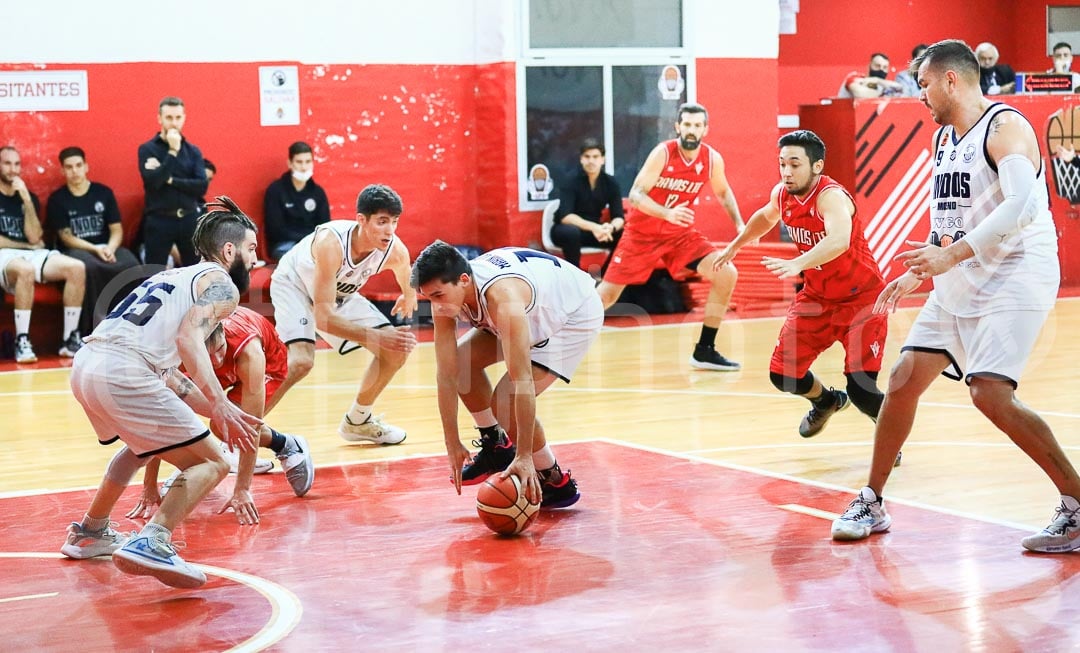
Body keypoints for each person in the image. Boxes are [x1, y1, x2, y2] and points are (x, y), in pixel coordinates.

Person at [829, 40, 1079, 553]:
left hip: (1017, 269)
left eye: (922, 84)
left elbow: (1022, 208)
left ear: (950, 80)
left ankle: (1076, 503)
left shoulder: (1005, 127)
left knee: (989, 392)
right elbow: (951, 219)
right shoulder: (945, 139)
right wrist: (925, 269)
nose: (918, 94)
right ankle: (872, 501)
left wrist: (953, 255)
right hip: (964, 267)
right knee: (901, 379)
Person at [64, 197, 263, 588]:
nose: (255, 259)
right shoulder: (222, 284)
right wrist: (221, 402)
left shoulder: (170, 278)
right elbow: (191, 337)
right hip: (124, 371)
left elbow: (175, 379)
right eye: (251, 249)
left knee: (140, 447)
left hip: (88, 363)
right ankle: (154, 540)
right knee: (215, 462)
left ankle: (90, 532)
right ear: (229, 251)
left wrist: (221, 410)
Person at [715, 130, 902, 467]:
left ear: (816, 166)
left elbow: (839, 240)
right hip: (818, 298)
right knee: (783, 375)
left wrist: (798, 262)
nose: (786, 172)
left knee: (862, 390)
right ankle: (826, 401)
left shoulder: (830, 197)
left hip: (861, 300)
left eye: (795, 164)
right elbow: (765, 216)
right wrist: (736, 244)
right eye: (782, 164)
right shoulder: (783, 194)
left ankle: (889, 438)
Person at [411, 241, 593, 507]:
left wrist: (524, 456)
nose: (435, 305)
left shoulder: (502, 301)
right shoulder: (448, 295)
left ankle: (554, 479)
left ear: (463, 280)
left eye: (438, 295)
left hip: (572, 314)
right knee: (460, 362)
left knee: (504, 399)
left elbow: (522, 382)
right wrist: (451, 440)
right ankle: (496, 447)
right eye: (428, 298)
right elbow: (446, 373)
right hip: (536, 298)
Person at [124, 306, 314, 523]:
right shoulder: (177, 354)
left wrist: (242, 488)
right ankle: (204, 459)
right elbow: (159, 421)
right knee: (178, 415)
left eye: (220, 349)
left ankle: (286, 444)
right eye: (209, 355)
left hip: (269, 365)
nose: (217, 360)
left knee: (225, 425)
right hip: (200, 363)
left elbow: (249, 426)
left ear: (224, 333)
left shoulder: (250, 352)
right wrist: (149, 486)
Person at [596, 102, 745, 371]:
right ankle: (558, 336)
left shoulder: (712, 159)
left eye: (697, 125)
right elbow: (637, 195)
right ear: (678, 127)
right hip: (642, 234)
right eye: (687, 124)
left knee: (727, 273)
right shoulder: (663, 153)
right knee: (605, 297)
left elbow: (723, 192)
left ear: (705, 129)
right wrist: (666, 213)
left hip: (679, 236)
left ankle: (705, 350)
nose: (691, 130)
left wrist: (739, 224)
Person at [270, 183, 417, 444]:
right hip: (294, 286)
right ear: (361, 220)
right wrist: (377, 336)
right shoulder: (332, 243)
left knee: (396, 350)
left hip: (337, 294)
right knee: (301, 362)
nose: (390, 230)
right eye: (382, 222)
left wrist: (409, 295)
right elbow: (324, 318)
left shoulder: (395, 250)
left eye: (394, 222)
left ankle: (358, 421)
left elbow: (407, 275)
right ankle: (235, 435)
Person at [0, 146, 86, 363]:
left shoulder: (27, 197)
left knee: (76, 268)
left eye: (17, 164)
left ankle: (69, 340)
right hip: (5, 255)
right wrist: (28, 247)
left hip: (29, 252)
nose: (13, 169)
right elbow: (24, 244)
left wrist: (26, 200)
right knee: (25, 270)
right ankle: (22, 340)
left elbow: (34, 235)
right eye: (7, 164)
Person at [47, 147, 141, 334]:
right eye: (69, 167)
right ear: (62, 170)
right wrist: (95, 249)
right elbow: (66, 237)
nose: (74, 171)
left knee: (132, 264)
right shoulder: (57, 199)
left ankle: (131, 326)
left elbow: (116, 229)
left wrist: (110, 248)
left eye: (78, 165)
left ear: (86, 166)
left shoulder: (103, 193)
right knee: (89, 267)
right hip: (77, 249)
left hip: (107, 246)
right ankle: (93, 329)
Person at [137, 96, 208, 268]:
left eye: (178, 117)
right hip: (159, 220)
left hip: (189, 219)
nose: (174, 123)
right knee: (154, 275)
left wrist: (169, 179)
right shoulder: (147, 149)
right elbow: (154, 182)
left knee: (195, 273)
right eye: (169, 117)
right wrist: (173, 151)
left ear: (184, 118)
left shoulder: (193, 151)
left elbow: (201, 186)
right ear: (159, 118)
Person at [551, 137, 624, 273]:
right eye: (587, 156)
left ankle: (605, 277)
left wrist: (610, 228)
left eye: (595, 157)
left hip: (594, 232)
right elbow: (566, 216)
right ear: (581, 159)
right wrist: (596, 227)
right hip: (566, 230)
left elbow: (619, 216)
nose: (591, 161)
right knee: (571, 232)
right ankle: (576, 278)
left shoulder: (610, 183)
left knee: (624, 235)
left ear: (603, 159)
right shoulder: (570, 180)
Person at [265, 141, 331, 261]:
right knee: (302, 260)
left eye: (308, 162)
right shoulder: (275, 190)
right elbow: (275, 230)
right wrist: (305, 239)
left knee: (334, 257)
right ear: (290, 163)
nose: (304, 167)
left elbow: (325, 227)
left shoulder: (318, 192)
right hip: (284, 245)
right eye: (299, 162)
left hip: (313, 244)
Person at [838, 53, 905, 98]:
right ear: (868, 66)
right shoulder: (855, 77)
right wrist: (884, 94)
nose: (881, 70)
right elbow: (859, 93)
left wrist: (877, 80)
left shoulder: (881, 85)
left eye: (885, 67)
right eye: (877, 66)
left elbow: (901, 90)